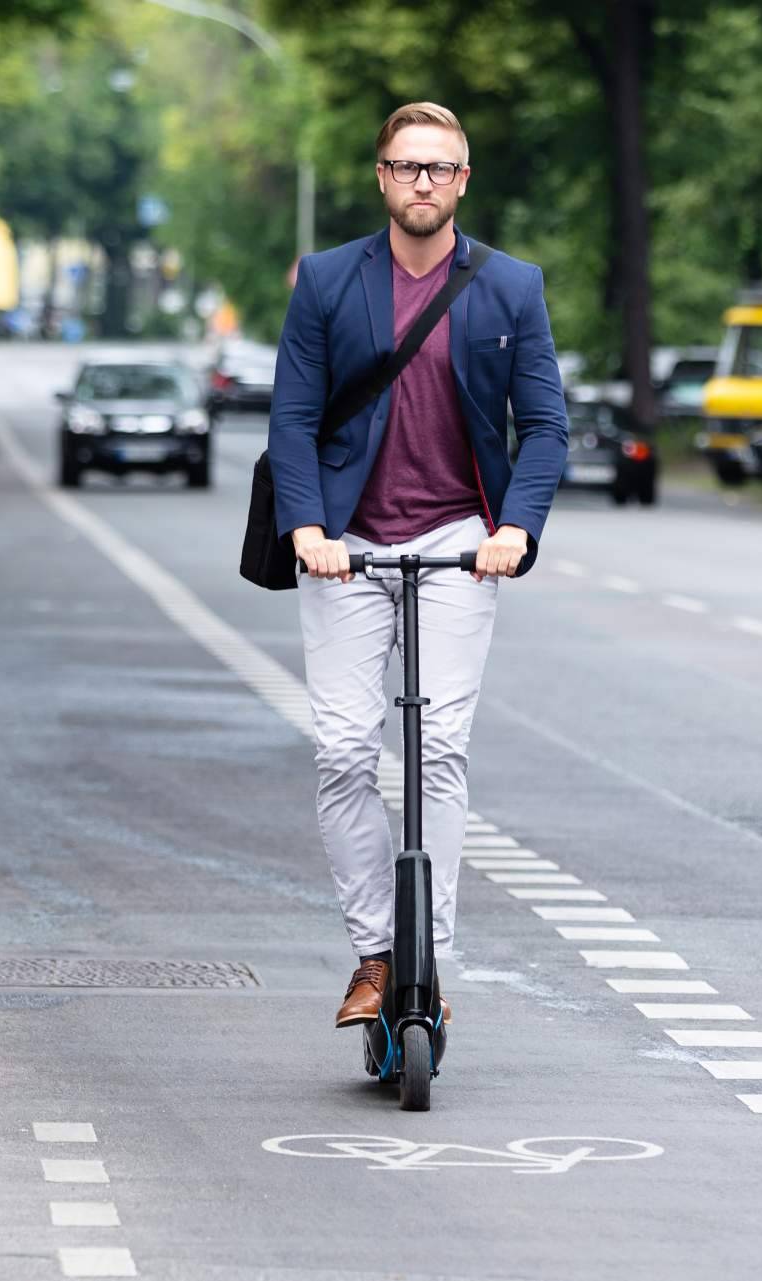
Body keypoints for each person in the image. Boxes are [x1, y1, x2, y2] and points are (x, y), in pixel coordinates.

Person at [267, 102, 568, 1029]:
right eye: (407, 167)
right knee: (346, 750)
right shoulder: (325, 280)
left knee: (437, 751)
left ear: (463, 180)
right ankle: (373, 952)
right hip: (346, 544)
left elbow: (546, 426)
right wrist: (307, 528)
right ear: (382, 177)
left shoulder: (511, 286)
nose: (424, 182)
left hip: (456, 542)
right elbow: (292, 417)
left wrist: (514, 529)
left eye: (440, 168)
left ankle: (425, 961)